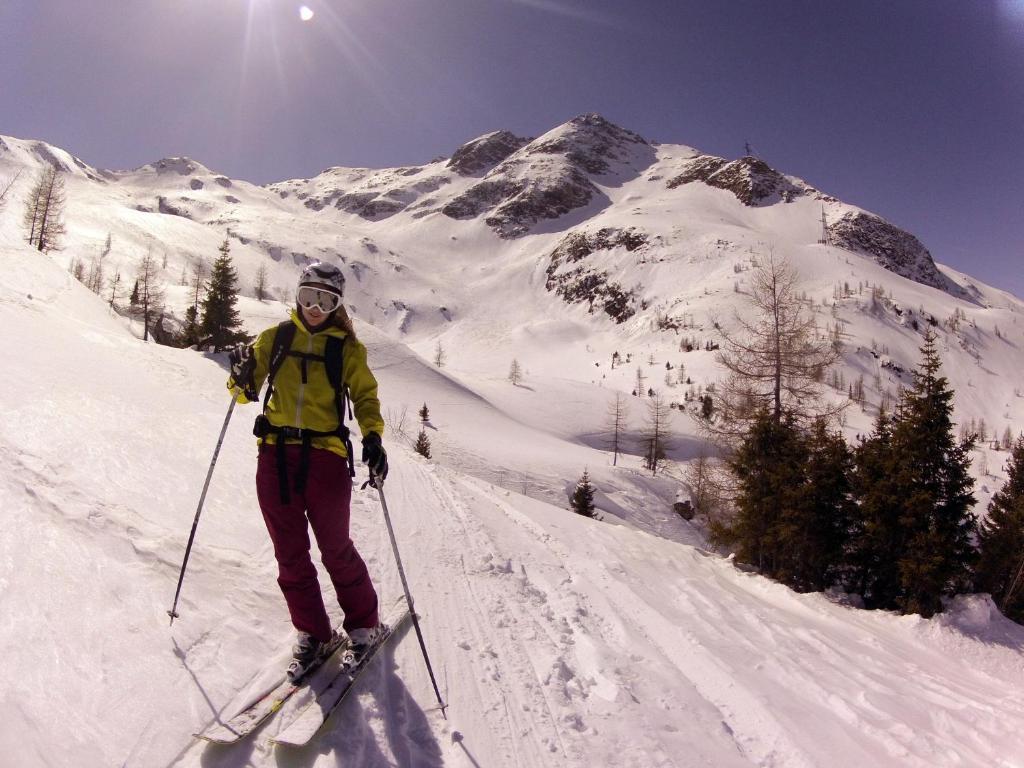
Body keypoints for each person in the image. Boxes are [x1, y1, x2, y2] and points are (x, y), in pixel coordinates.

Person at [226, 261, 390, 681]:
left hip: (326, 457)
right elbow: (244, 394)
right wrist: (241, 378)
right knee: (289, 552)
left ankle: (363, 625)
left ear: (337, 306)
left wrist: (373, 435)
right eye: (308, 298)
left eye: (325, 300)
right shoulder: (275, 339)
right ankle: (314, 632)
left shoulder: (346, 348)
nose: (315, 308)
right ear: (297, 297)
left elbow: (366, 397)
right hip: (275, 455)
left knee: (335, 547)